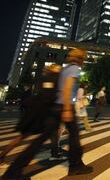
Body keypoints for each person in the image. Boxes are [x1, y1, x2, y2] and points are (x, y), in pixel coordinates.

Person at [2, 49, 93, 179]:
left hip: (55, 106)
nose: (85, 60)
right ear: (80, 58)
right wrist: (67, 109)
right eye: (84, 58)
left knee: (40, 140)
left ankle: (13, 172)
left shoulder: (65, 69)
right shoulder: (75, 69)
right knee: (74, 137)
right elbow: (67, 89)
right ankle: (76, 165)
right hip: (65, 106)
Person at [0, 64, 65, 164]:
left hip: (39, 111)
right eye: (57, 67)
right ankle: (14, 161)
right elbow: (48, 95)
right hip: (41, 112)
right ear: (52, 69)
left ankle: (54, 152)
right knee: (31, 136)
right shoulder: (51, 77)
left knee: (27, 136)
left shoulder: (47, 77)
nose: (60, 68)